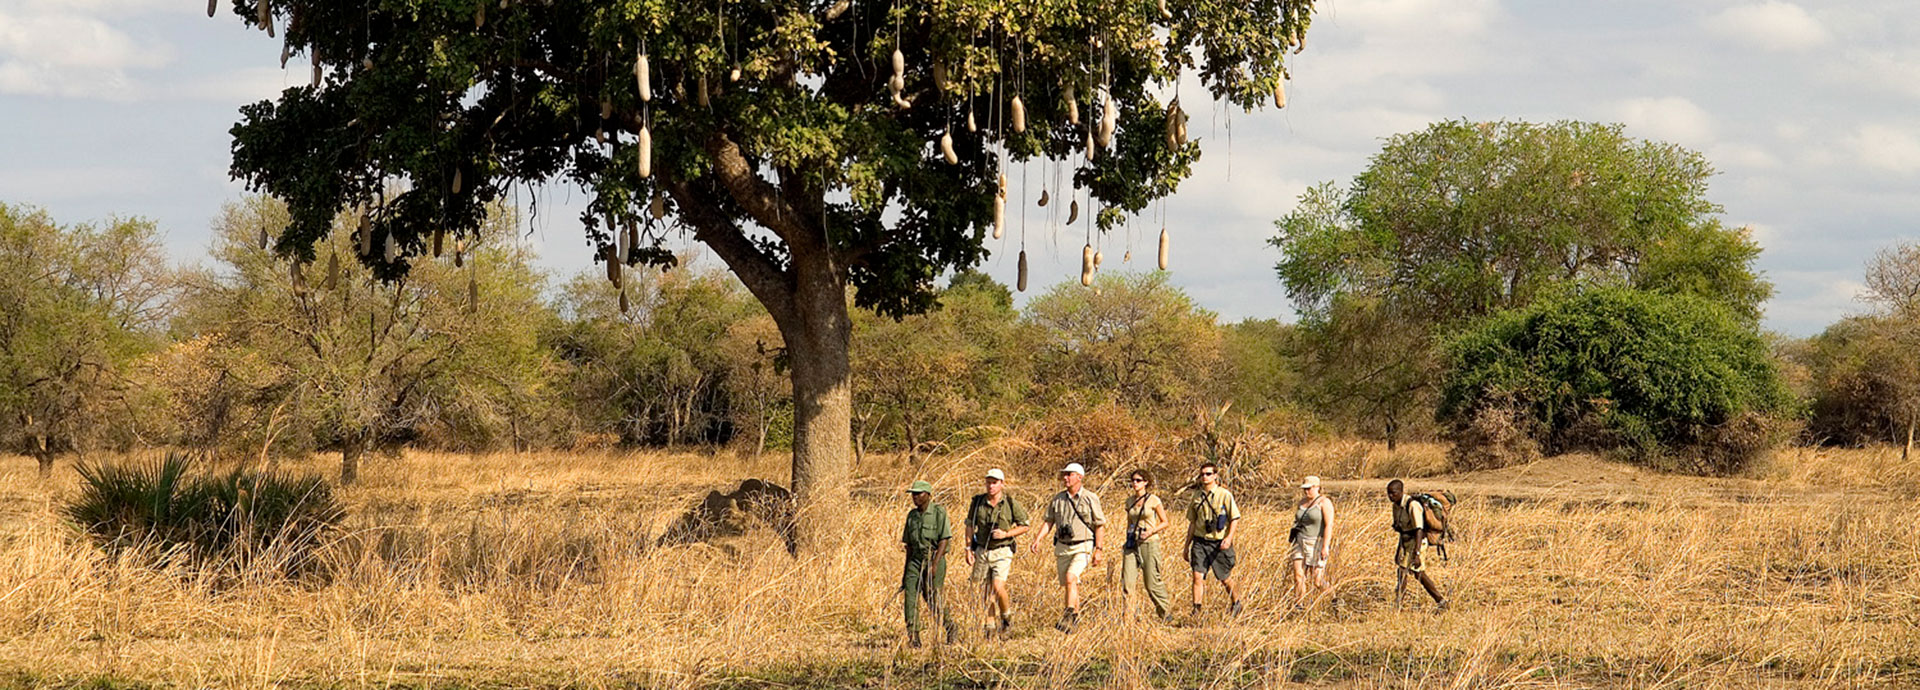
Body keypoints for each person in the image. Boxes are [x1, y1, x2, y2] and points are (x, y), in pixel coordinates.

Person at [1029, 462, 1105, 632]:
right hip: (1062, 546)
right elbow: (1049, 521)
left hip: (1083, 545)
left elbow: (1099, 525)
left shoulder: (1090, 498)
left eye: (1069, 474)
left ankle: (1067, 614)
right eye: (1064, 474)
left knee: (1071, 577)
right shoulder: (1058, 499)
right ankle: (1074, 621)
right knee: (1070, 584)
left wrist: (1098, 550)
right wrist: (1038, 539)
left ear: (1080, 477)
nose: (1065, 478)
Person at [963, 468, 1030, 637]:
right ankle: (990, 625)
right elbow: (970, 525)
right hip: (983, 549)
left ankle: (1006, 617)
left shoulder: (1009, 503)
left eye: (994, 483)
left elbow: (1025, 526)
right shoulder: (978, 502)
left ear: (1001, 484)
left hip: (1002, 550)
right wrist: (968, 548)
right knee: (985, 591)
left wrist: (1006, 534)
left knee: (998, 586)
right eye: (988, 482)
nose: (991, 486)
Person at [900, 480, 958, 646]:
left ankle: (950, 626)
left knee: (932, 595)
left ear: (928, 495)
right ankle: (914, 636)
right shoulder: (912, 516)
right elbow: (909, 545)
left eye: (919, 494)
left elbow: (944, 540)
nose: (915, 497)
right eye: (913, 494)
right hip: (915, 560)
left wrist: (934, 564)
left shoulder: (939, 513)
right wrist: (906, 573)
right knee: (910, 597)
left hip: (933, 558)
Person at [1185, 461, 1244, 617]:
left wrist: (1229, 538)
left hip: (1218, 543)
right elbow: (1192, 522)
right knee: (1197, 576)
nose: (1205, 477)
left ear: (1215, 476)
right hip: (1200, 541)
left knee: (1224, 578)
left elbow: (1235, 518)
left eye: (1208, 474)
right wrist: (1186, 546)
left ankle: (1236, 602)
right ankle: (1196, 610)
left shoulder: (1224, 495)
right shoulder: (1197, 496)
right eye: (1202, 474)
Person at [1120, 468, 1174, 620]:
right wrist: (1128, 540)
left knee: (1151, 582)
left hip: (1149, 543)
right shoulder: (1129, 501)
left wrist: (1151, 531)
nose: (1135, 483)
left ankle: (1165, 613)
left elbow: (1165, 522)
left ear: (1145, 482)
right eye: (1133, 481)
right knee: (1127, 582)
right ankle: (1128, 617)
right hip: (1132, 543)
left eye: (1138, 480)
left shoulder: (1154, 500)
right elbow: (1129, 522)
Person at [1387, 479, 1448, 611]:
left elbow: (1419, 529)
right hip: (1406, 541)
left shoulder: (1413, 505)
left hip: (1417, 542)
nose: (1391, 496)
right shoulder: (1396, 506)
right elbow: (1401, 529)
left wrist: (1417, 553)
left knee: (1408, 572)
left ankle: (1398, 605)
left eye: (1394, 493)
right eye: (1389, 493)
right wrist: (1399, 549)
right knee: (1412, 573)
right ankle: (1440, 601)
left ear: (1401, 492)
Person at [1289, 475, 1335, 608]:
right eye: (1304, 489)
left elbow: (1329, 525)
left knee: (1317, 580)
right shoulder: (1301, 503)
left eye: (1309, 488)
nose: (1306, 491)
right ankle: (1299, 604)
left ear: (1317, 487)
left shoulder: (1324, 502)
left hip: (1316, 542)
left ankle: (1334, 598)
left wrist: (1325, 546)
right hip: (1299, 541)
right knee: (1298, 575)